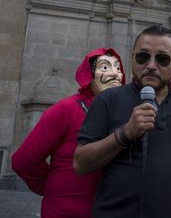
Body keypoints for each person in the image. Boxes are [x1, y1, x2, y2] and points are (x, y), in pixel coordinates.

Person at [73, 25, 171, 218]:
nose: (151, 65)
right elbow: (80, 164)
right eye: (143, 56)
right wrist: (124, 133)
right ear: (132, 57)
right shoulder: (108, 100)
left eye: (162, 58)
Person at [12, 48, 125, 217]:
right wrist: (51, 187)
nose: (115, 74)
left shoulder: (124, 114)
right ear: (89, 74)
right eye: (104, 67)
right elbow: (24, 160)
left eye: (118, 68)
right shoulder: (66, 109)